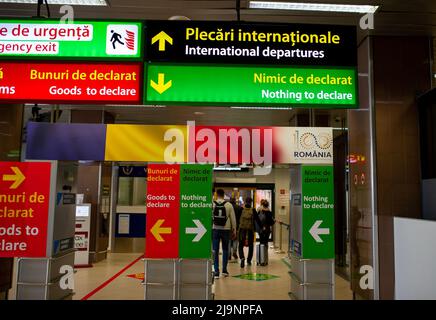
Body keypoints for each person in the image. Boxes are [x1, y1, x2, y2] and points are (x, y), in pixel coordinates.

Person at [212, 189, 237, 279]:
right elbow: (233, 219)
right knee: (225, 249)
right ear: (223, 195)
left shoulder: (213, 204)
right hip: (226, 229)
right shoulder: (229, 205)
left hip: (215, 229)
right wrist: (234, 230)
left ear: (216, 195)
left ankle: (216, 271)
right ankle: (224, 271)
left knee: (215, 250)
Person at [238, 197, 258, 268]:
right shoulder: (253, 210)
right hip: (250, 230)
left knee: (240, 245)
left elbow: (238, 219)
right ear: (251, 202)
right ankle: (249, 260)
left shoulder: (241, 209)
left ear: (245, 202)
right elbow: (257, 220)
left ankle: (242, 257)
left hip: (242, 230)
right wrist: (261, 228)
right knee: (251, 246)